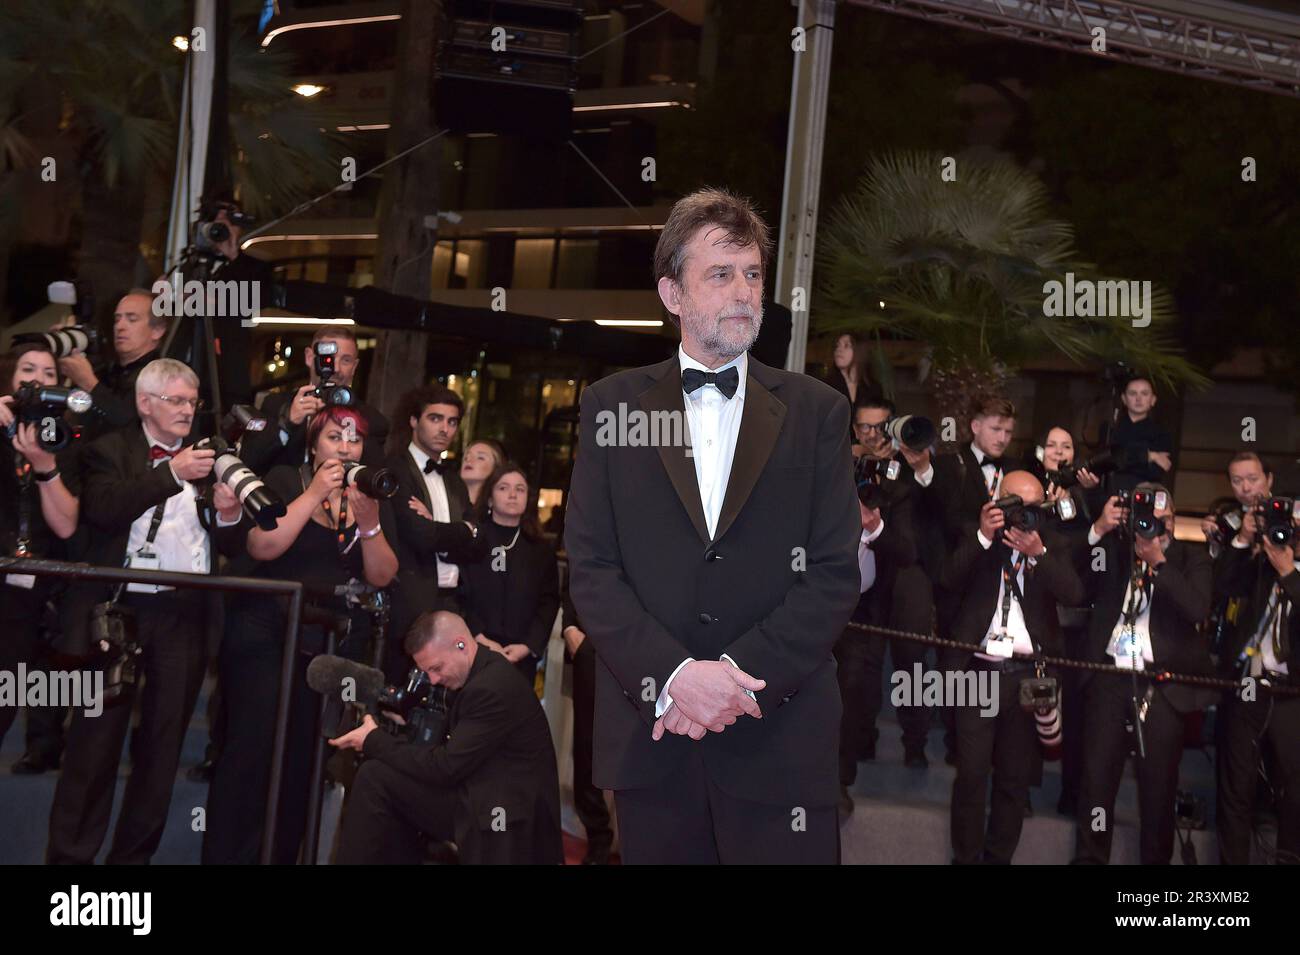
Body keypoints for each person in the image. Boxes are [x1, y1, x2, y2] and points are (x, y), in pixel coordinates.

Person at [564, 187, 861, 864]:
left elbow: (833, 573)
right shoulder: (610, 405)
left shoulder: (817, 411)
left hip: (781, 738)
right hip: (655, 737)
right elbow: (591, 569)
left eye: (753, 274)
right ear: (672, 294)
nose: (744, 292)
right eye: (720, 274)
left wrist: (735, 674)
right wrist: (674, 676)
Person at [47, 359, 245, 864]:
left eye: (192, 401)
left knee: (161, 752)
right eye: (176, 400)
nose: (186, 411)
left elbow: (229, 540)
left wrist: (228, 511)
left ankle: (131, 865)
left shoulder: (214, 455)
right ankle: (69, 865)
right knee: (94, 748)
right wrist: (169, 472)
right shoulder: (107, 450)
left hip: (186, 613)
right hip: (119, 610)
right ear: (144, 403)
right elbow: (104, 509)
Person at [203, 404, 398, 865]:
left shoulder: (368, 493)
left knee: (304, 763)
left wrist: (369, 523)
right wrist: (314, 493)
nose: (345, 447)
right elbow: (262, 545)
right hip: (267, 633)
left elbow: (383, 575)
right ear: (314, 445)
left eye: (354, 439)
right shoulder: (289, 479)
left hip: (329, 646)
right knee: (250, 754)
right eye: (334, 437)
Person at [331, 611, 563, 865]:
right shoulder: (484, 671)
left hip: (504, 816)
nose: (433, 679)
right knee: (382, 776)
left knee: (376, 777)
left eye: (436, 668)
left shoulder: (490, 688)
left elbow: (445, 767)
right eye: (427, 671)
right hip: (483, 794)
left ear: (461, 645)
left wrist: (373, 740)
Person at [941, 471, 1083, 864]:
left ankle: (998, 857)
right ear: (998, 500)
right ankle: (965, 858)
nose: (1026, 516)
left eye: (1034, 507)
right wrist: (984, 537)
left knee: (1014, 779)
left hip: (1029, 675)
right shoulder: (978, 536)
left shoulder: (1051, 542)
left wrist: (1039, 554)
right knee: (970, 774)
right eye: (1017, 506)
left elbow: (1074, 593)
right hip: (978, 672)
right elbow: (948, 579)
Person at [1073, 483, 1214, 864]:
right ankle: (1088, 859)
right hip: (1109, 679)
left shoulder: (1190, 558)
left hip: (1161, 687)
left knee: (1158, 789)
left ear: (1173, 521)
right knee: (1097, 783)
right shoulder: (1115, 552)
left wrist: (1159, 563)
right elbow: (1075, 586)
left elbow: (1197, 609)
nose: (1154, 527)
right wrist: (1099, 529)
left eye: (1163, 521)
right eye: (1146, 520)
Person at [835, 397, 927, 792]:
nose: (873, 435)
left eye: (880, 426)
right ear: (855, 429)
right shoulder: (835, 462)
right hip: (836, 592)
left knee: (884, 673)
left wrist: (873, 523)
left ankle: (908, 746)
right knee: (843, 684)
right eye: (865, 427)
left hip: (889, 589)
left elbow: (910, 546)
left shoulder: (904, 476)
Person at [0, 344, 82, 771]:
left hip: (38, 588)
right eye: (27, 369)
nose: (36, 380)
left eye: (49, 373)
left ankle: (43, 742)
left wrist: (44, 465)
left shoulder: (66, 443)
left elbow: (67, 525)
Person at [1213, 478, 1299, 864]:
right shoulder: (1261, 561)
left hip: (1293, 691)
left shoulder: (1282, 568)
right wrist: (1245, 539)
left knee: (1294, 788)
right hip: (1249, 684)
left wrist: (1289, 573)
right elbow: (1224, 587)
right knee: (1237, 787)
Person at [382, 386, 486, 683]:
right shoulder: (395, 469)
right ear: (414, 421)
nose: (444, 428)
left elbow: (479, 544)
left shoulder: (454, 480)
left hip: (453, 602)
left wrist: (444, 530)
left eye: (452, 422)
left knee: (448, 695)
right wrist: (462, 531)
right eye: (435, 418)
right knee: (401, 695)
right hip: (411, 602)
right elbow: (418, 535)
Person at [459, 462, 560, 683]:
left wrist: (528, 646)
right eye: (503, 488)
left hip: (521, 655)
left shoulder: (540, 549)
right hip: (475, 648)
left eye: (520, 489)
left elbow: (549, 601)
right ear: (489, 498)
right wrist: (478, 637)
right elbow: (460, 591)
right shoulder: (470, 539)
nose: (512, 495)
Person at [240, 326, 390, 472]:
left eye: (345, 360)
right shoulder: (276, 405)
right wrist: (287, 423)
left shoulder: (370, 420)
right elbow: (249, 463)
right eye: (327, 359)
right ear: (309, 357)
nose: (336, 369)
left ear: (354, 366)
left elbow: (373, 478)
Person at [58, 289, 170, 443]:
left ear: (157, 331)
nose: (120, 326)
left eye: (132, 319)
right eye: (117, 319)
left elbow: (128, 420)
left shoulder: (165, 376)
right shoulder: (106, 372)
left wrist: (89, 383)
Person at [559, 590, 614, 864]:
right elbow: (576, 573)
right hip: (591, 647)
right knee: (586, 747)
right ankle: (598, 838)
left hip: (648, 645)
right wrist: (569, 627)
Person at [1102, 375, 1173, 494]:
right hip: (1110, 491)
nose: (1138, 398)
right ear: (1124, 399)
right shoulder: (1109, 429)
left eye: (1144, 394)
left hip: (1145, 493)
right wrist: (1149, 455)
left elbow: (1156, 471)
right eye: (1133, 393)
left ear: (1153, 400)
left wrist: (1125, 457)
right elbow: (1108, 461)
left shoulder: (1162, 433)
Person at [824, 333, 869, 441]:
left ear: (859, 351)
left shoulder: (872, 387)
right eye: (837, 346)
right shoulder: (826, 385)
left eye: (846, 345)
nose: (839, 350)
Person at [460, 437, 505, 507]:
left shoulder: (499, 509)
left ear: (496, 468)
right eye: (466, 457)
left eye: (480, 458)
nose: (469, 460)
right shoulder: (444, 500)